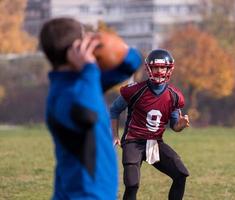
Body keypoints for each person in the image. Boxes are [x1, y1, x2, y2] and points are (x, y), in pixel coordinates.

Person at [39, 17, 142, 200]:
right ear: (76, 49)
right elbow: (89, 115)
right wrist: (89, 68)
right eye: (85, 38)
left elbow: (133, 61)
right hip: (83, 194)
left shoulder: (84, 82)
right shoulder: (67, 94)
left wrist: (106, 42)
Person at [110, 49, 190, 200]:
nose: (159, 71)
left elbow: (174, 126)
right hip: (133, 142)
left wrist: (181, 124)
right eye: (155, 67)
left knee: (181, 174)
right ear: (149, 68)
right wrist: (114, 135)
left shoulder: (174, 95)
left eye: (162, 67)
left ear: (169, 69)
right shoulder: (135, 90)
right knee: (132, 184)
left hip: (155, 143)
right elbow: (114, 110)